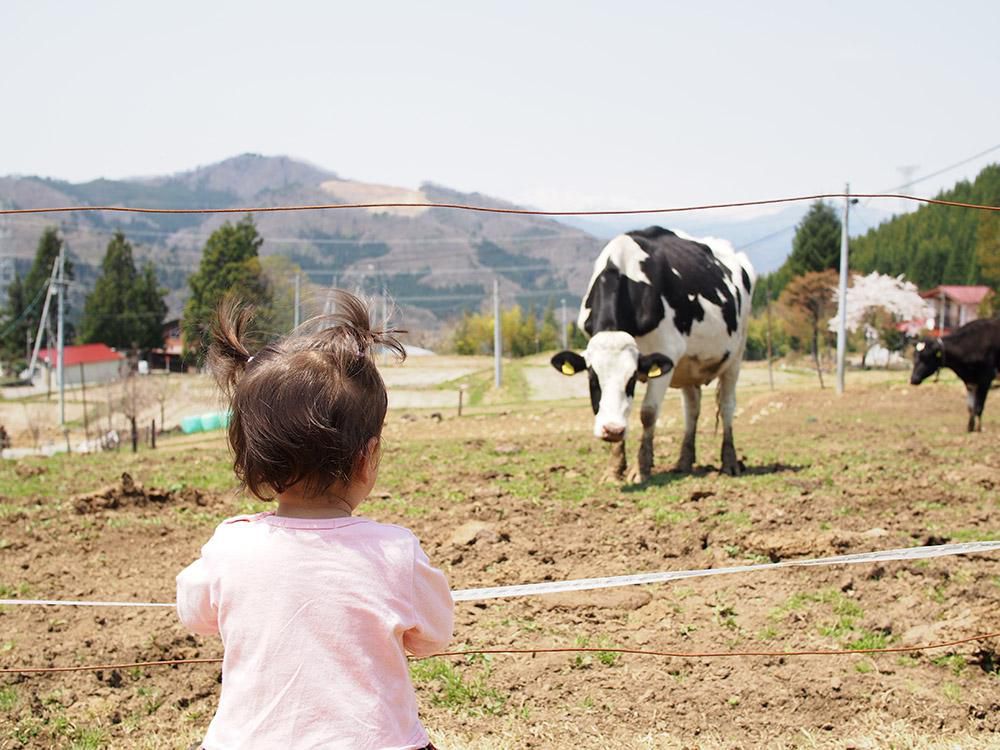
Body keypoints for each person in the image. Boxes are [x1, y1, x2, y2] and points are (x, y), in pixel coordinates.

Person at [176, 291, 454, 750]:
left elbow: (195, 612)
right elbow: (434, 635)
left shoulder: (230, 547)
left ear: (252, 460)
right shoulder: (394, 552)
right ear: (367, 458)